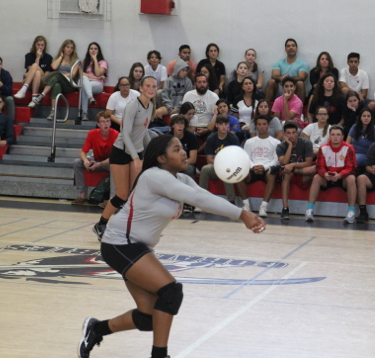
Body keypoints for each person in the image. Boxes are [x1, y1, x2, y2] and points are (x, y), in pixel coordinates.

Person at [79, 134, 265, 358]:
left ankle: (96, 329)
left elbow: (202, 195)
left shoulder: (180, 179)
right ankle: (160, 355)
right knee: (171, 292)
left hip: (137, 247)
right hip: (120, 243)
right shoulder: (154, 176)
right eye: (176, 149)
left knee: (149, 317)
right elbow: (196, 198)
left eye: (182, 147)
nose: (183, 152)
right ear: (161, 158)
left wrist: (241, 214)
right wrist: (241, 214)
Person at [93, 76, 157, 241]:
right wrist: (136, 158)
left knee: (134, 195)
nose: (151, 89)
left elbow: (143, 133)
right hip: (121, 152)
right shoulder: (132, 106)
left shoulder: (150, 106)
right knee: (121, 195)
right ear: (141, 88)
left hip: (136, 152)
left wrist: (153, 152)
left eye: (154, 86)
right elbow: (126, 135)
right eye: (148, 86)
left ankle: (129, 229)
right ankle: (101, 224)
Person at [305, 125, 357, 223]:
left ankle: (351, 212)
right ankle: (309, 210)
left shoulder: (349, 148)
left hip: (343, 178)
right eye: (333, 134)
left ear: (342, 137)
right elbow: (319, 166)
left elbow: (351, 168)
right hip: (327, 177)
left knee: (351, 179)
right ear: (329, 136)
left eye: (338, 135)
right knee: (316, 177)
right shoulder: (323, 148)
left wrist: (340, 175)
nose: (335, 137)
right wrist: (324, 174)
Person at [236, 115, 281, 217]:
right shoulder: (249, 142)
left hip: (267, 168)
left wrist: (264, 167)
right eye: (259, 124)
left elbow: (276, 161)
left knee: (272, 175)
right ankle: (246, 205)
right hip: (253, 168)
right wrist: (253, 167)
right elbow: (246, 158)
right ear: (255, 126)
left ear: (268, 126)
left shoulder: (276, 142)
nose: (262, 127)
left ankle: (263, 207)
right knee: (238, 174)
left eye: (264, 124)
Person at [72, 111, 119, 205]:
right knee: (77, 162)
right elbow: (83, 152)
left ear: (110, 123)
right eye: (103, 121)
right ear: (98, 124)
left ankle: (112, 199)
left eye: (107, 121)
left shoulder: (116, 134)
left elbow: (115, 156)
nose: (106, 124)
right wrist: (85, 161)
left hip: (109, 162)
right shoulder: (92, 133)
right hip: (96, 159)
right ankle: (82, 195)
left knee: (115, 165)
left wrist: (100, 164)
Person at [29, 39, 81, 121]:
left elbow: (73, 75)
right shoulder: (58, 59)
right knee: (56, 85)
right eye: (68, 47)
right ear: (63, 48)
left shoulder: (76, 61)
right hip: (58, 80)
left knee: (57, 74)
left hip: (69, 84)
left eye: (72, 48)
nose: (70, 49)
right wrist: (61, 56)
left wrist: (61, 75)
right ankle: (53, 111)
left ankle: (41, 95)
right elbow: (54, 67)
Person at [276, 122, 315, 219]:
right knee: (286, 174)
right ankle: (285, 208)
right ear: (284, 134)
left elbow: (308, 163)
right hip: (288, 173)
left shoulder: (306, 143)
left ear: (297, 133)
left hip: (302, 172)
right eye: (288, 133)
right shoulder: (280, 146)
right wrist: (289, 145)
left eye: (293, 133)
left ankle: (310, 209)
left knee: (314, 169)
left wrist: (292, 165)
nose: (291, 135)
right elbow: (284, 163)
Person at [199, 115, 240, 204]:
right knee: (205, 169)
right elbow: (209, 159)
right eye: (221, 124)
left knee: (227, 169)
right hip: (215, 167)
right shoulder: (211, 139)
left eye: (226, 124)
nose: (224, 127)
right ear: (217, 125)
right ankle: (201, 200)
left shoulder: (233, 139)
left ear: (229, 125)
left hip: (229, 167)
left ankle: (231, 201)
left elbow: (235, 159)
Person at [265, 39, 309, 103]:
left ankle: (299, 110)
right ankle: (266, 109)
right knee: (271, 82)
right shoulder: (279, 63)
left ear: (296, 48)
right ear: (285, 49)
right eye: (288, 46)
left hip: (294, 89)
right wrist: (281, 78)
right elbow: (274, 76)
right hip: (281, 88)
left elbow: (302, 77)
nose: (291, 47)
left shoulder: (303, 64)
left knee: (300, 83)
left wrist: (288, 79)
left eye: (293, 45)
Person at [180, 72, 220, 139]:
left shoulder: (214, 97)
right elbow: (183, 114)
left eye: (204, 82)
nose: (202, 84)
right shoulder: (188, 95)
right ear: (195, 84)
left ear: (207, 83)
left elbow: (217, 117)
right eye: (199, 82)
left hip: (207, 127)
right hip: (190, 126)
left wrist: (207, 129)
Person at [14, 35, 53, 100]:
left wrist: (38, 58)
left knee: (35, 66)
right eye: (38, 45)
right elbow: (31, 71)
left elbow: (46, 76)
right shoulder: (29, 56)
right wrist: (37, 57)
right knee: (37, 72)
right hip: (30, 82)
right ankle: (34, 98)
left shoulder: (48, 57)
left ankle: (23, 89)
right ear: (34, 45)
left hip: (42, 82)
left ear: (45, 46)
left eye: (42, 45)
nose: (40, 47)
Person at [79, 42, 108, 121]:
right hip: (87, 82)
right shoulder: (84, 62)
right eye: (91, 48)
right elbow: (81, 73)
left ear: (98, 51)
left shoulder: (102, 62)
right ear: (88, 50)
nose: (93, 50)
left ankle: (84, 112)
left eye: (95, 49)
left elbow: (98, 72)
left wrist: (95, 59)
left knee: (84, 85)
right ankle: (90, 100)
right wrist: (95, 77)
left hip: (97, 85)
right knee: (84, 81)